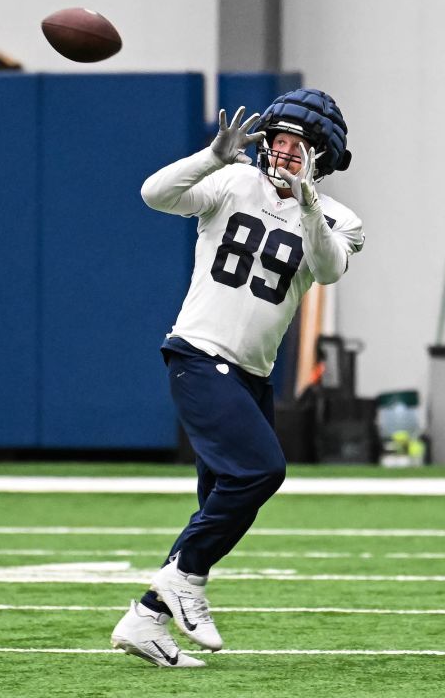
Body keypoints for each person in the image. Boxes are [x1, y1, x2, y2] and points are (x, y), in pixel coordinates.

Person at [109, 89, 365, 668]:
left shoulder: (337, 218)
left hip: (253, 373)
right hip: (199, 355)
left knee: (224, 502)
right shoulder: (231, 182)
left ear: (322, 156)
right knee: (262, 470)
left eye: (297, 145)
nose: (282, 152)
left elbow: (326, 268)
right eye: (276, 140)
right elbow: (155, 194)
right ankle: (186, 580)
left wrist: (307, 206)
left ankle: (147, 616)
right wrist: (211, 156)